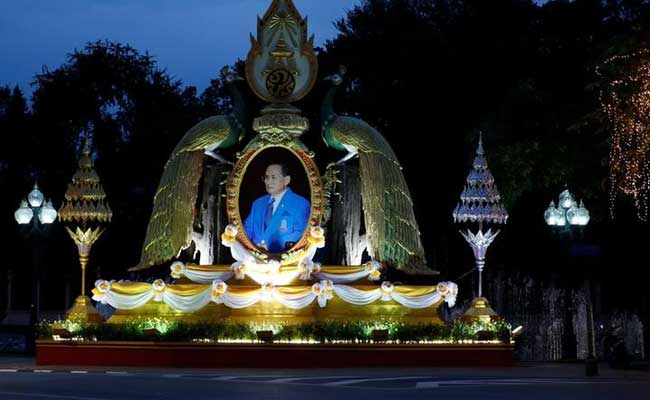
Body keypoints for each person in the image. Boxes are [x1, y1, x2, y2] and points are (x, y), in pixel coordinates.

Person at [243, 163, 310, 253]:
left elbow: (301, 233)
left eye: (273, 177)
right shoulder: (258, 203)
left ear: (286, 180)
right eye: (266, 177)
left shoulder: (300, 203)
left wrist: (270, 244)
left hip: (284, 259)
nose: (268, 182)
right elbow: (247, 230)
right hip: (254, 259)